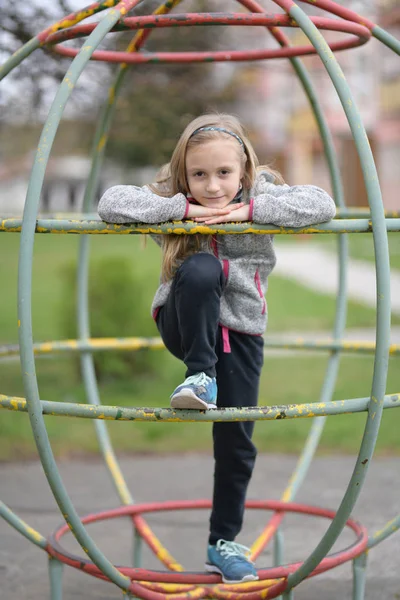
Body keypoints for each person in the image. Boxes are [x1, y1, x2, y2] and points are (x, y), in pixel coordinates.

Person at [98, 113, 336, 584]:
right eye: (199, 175)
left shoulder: (261, 193)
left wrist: (247, 213)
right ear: (184, 173)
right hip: (183, 324)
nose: (211, 186)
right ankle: (198, 375)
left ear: (244, 170)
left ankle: (223, 542)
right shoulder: (174, 196)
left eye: (223, 174)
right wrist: (182, 211)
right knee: (203, 267)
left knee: (237, 441)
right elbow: (111, 202)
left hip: (243, 333)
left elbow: (321, 204)